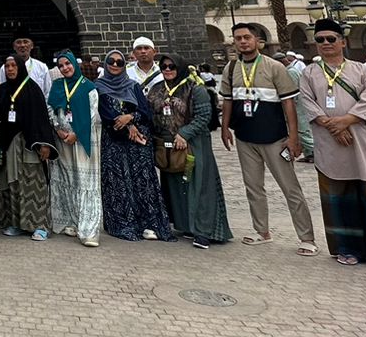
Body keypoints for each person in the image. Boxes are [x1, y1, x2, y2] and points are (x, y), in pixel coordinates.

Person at [297, 20, 366, 273]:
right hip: (330, 142)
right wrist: (334, 127)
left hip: (361, 140)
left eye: (331, 39)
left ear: (342, 42)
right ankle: (348, 248)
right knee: (339, 197)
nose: (326, 43)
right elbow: (308, 102)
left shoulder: (362, 70)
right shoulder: (309, 73)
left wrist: (345, 121)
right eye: (320, 40)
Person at [219, 23, 317, 256]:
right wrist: (224, 128)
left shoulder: (274, 67)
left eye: (247, 37)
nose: (243, 42)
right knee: (253, 187)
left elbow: (289, 103)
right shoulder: (231, 68)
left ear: (258, 41)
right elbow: (228, 101)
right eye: (238, 38)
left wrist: (293, 137)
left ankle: (307, 238)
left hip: (274, 138)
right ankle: (261, 231)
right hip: (245, 137)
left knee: (290, 188)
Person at [147, 53, 231, 248]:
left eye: (172, 66)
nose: (168, 69)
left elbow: (204, 116)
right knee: (175, 186)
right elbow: (150, 113)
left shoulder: (195, 89)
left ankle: (204, 230)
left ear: (181, 67)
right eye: (164, 66)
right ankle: (185, 225)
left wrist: (184, 133)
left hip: (194, 144)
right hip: (168, 146)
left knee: (199, 186)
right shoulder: (157, 89)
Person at [95, 50, 175, 243]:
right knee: (118, 182)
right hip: (115, 140)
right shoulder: (98, 87)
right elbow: (106, 114)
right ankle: (123, 223)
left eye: (119, 62)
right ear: (105, 64)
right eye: (111, 61)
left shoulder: (133, 85)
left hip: (138, 142)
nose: (115, 65)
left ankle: (149, 223)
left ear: (124, 65)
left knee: (143, 181)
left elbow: (145, 111)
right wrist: (128, 126)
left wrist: (131, 118)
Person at [0, 54, 56, 239]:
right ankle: (15, 223)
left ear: (21, 67)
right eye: (7, 66)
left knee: (32, 183)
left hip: (29, 144)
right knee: (11, 183)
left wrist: (44, 144)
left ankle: (40, 226)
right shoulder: (3, 89)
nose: (10, 69)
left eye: (13, 65)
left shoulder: (32, 88)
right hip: (8, 144)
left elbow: (41, 118)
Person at [47, 50, 104, 246]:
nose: (65, 68)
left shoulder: (89, 87)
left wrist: (76, 134)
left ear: (74, 64)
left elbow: (92, 114)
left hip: (82, 140)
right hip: (63, 140)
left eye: (67, 64)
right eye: (61, 65)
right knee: (67, 178)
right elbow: (51, 108)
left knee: (84, 182)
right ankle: (71, 221)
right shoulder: (57, 85)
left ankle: (89, 230)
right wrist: (58, 129)